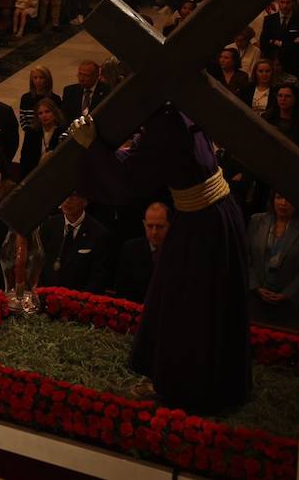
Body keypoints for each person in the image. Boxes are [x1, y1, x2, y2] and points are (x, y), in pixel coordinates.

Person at [68, 106, 250, 410]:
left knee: (187, 306)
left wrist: (92, 145)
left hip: (202, 225)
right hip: (207, 216)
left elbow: (127, 184)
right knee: (184, 299)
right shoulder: (178, 111)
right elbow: (146, 161)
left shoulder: (166, 123)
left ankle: (183, 390)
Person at [247, 193, 299, 331]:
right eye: (279, 197)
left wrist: (287, 293)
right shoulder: (257, 220)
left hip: (289, 305)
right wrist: (256, 287)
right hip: (256, 300)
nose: (283, 203)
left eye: (289, 199)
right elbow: (245, 257)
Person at [38, 190, 113, 293]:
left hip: (78, 300)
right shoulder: (49, 225)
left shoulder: (98, 233)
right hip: (46, 295)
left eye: (74, 197)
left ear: (85, 201)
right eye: (65, 196)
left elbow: (98, 276)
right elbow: (38, 263)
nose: (68, 201)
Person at [114, 202, 170, 303]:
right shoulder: (131, 249)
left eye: (160, 226)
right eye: (150, 226)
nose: (154, 232)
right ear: (144, 224)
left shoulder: (179, 251)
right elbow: (122, 289)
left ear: (169, 226)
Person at [266, 82, 299, 160]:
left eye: (287, 96)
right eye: (280, 96)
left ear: (295, 98)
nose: (283, 99)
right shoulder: (268, 118)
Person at [18, 97, 66, 177]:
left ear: (54, 113)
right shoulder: (31, 133)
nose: (44, 115)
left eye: (47, 112)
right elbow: (25, 159)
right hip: (34, 175)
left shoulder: (62, 132)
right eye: (40, 113)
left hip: (56, 175)